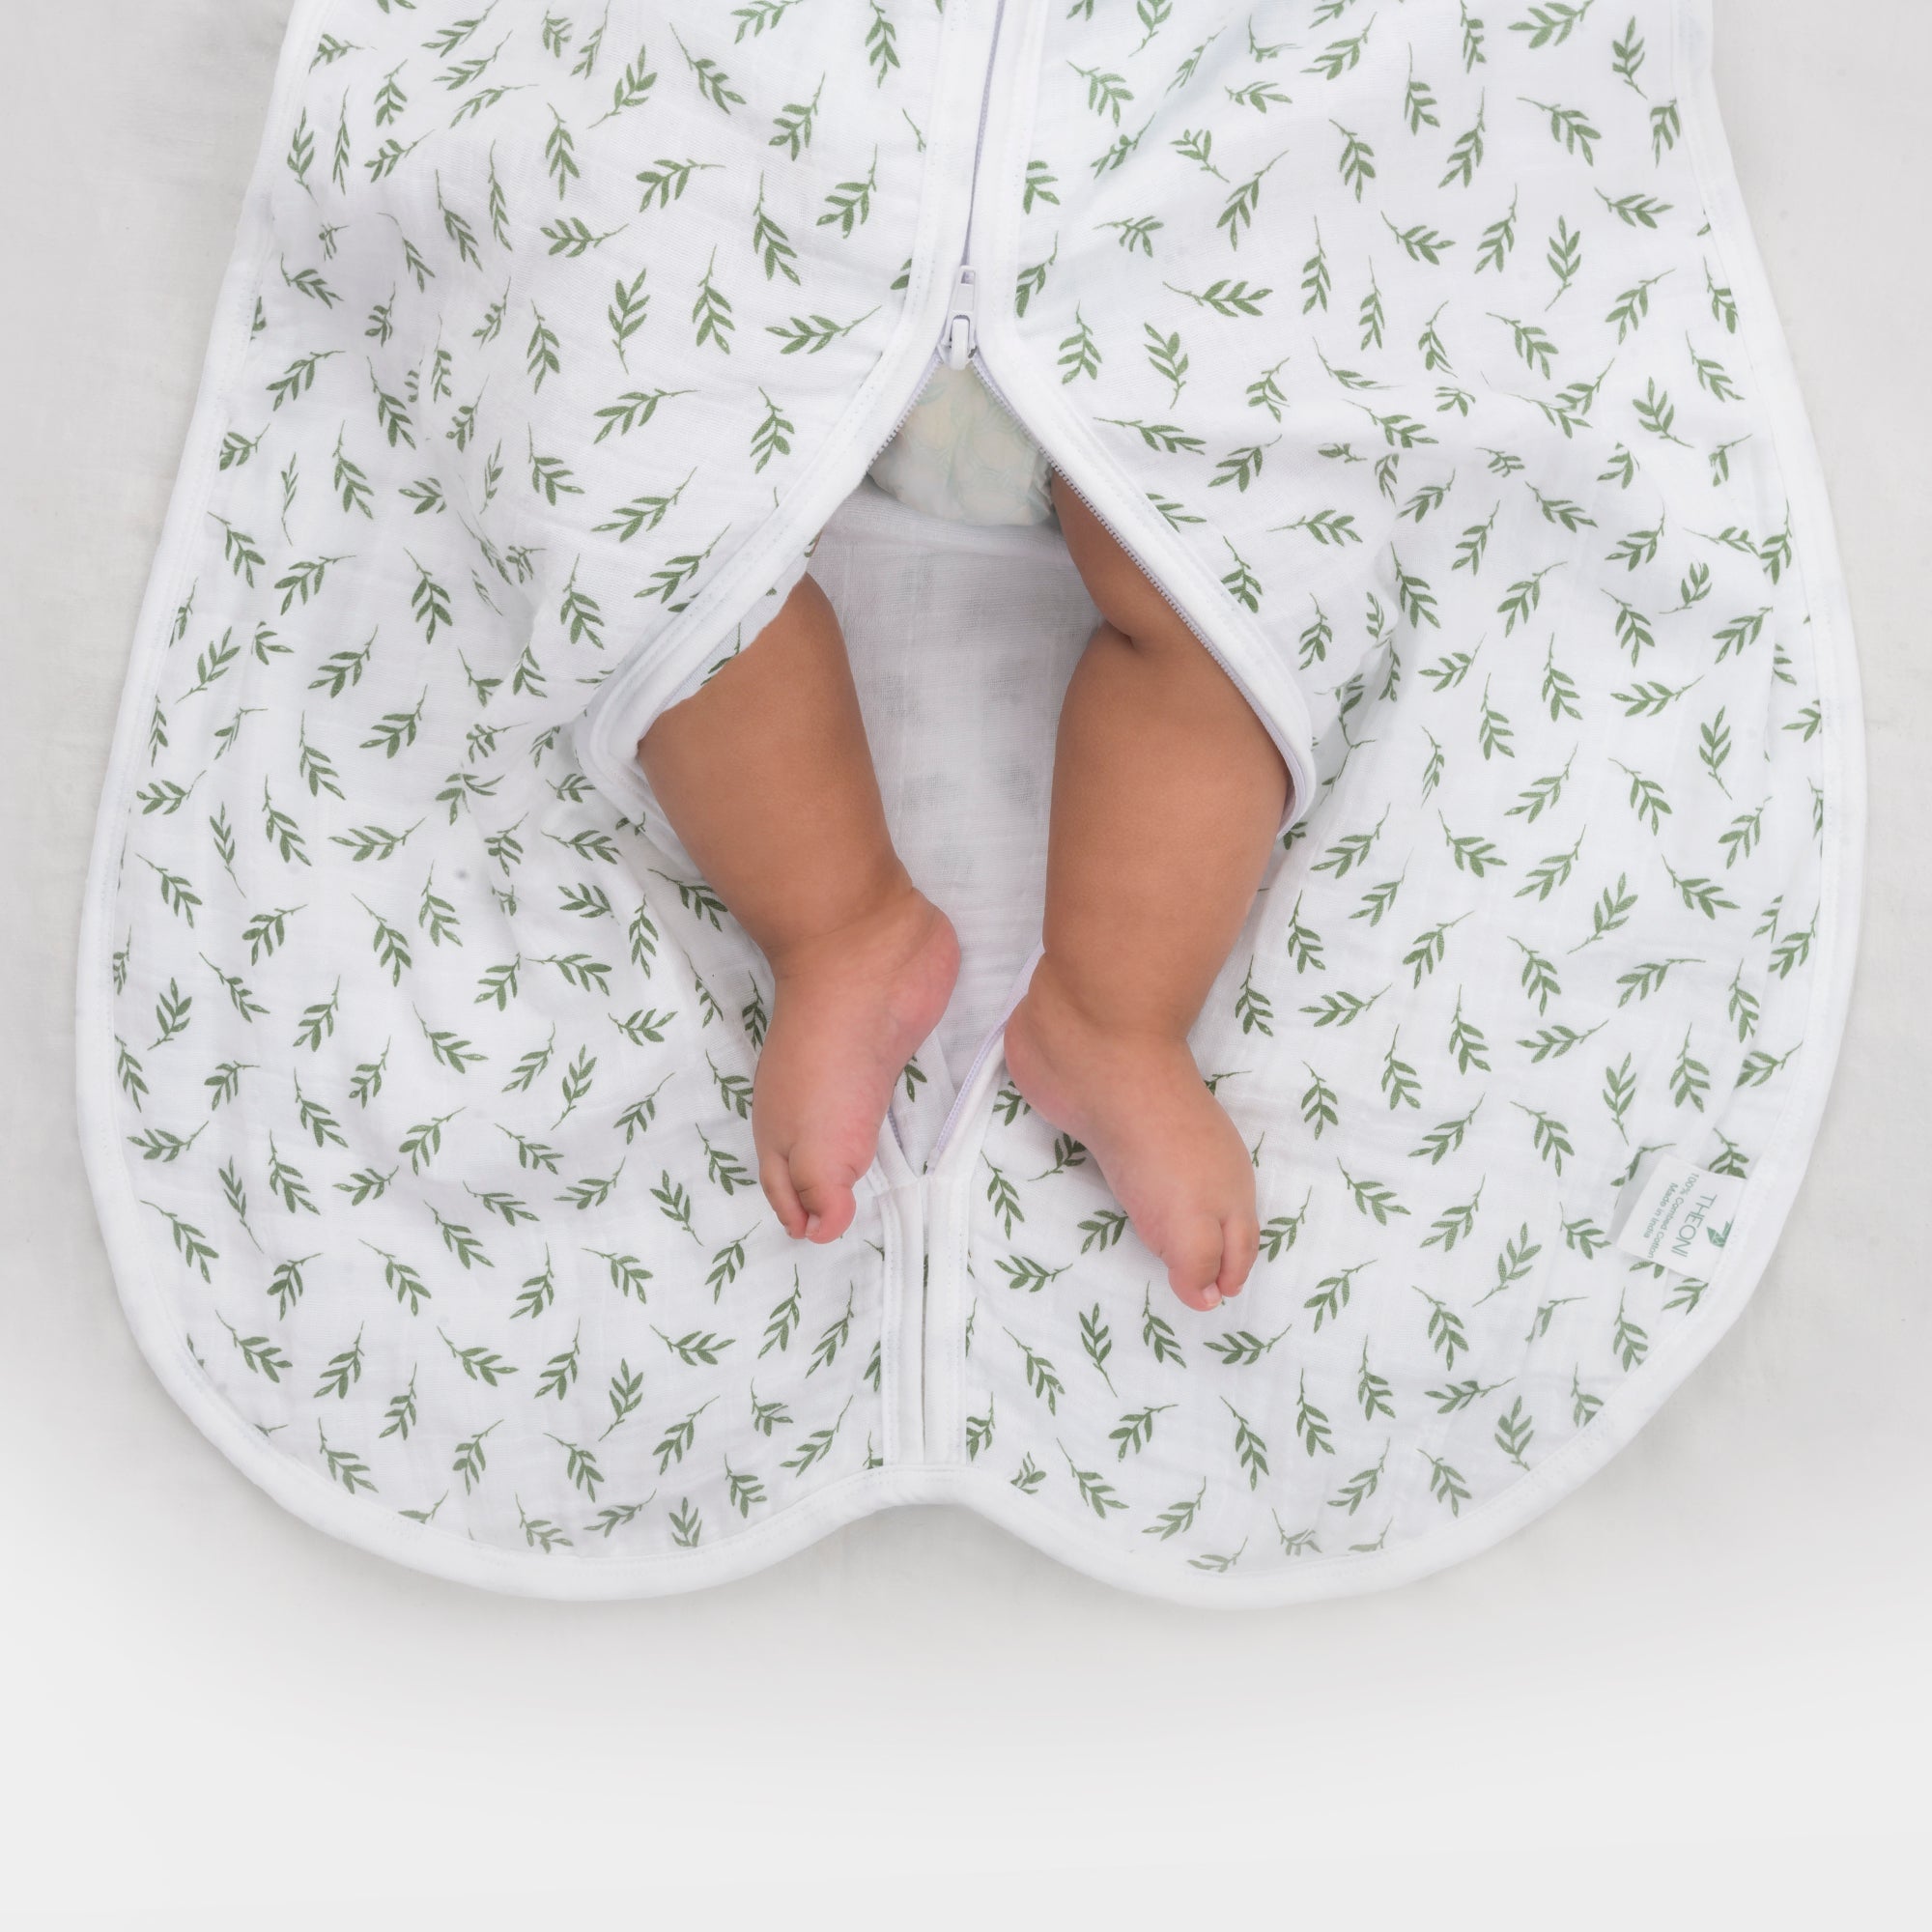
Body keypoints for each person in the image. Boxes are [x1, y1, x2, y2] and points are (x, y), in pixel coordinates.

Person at [636, 370, 1290, 1313]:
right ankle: (838, 936)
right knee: (665, 564)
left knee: (1228, 612)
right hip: (774, 331)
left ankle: (1114, 1022)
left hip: (1140, 347)